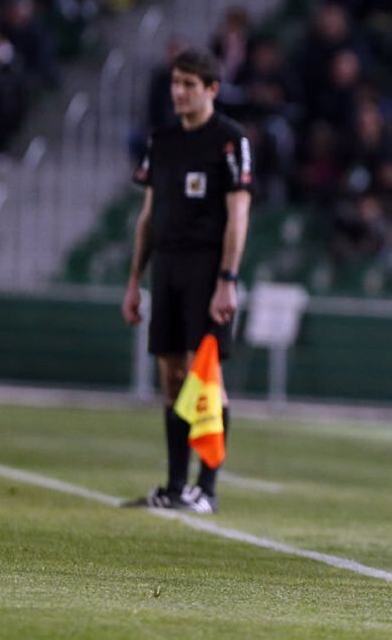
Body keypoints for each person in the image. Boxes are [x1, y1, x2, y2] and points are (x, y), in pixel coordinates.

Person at [121, 49, 253, 514]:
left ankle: (207, 489)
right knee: (172, 376)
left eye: (189, 85)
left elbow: (239, 214)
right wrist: (135, 280)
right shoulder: (163, 140)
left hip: (207, 269)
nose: (178, 92)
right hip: (168, 268)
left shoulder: (230, 140)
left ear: (211, 89)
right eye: (176, 83)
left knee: (207, 377)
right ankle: (175, 486)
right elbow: (148, 215)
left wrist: (228, 279)